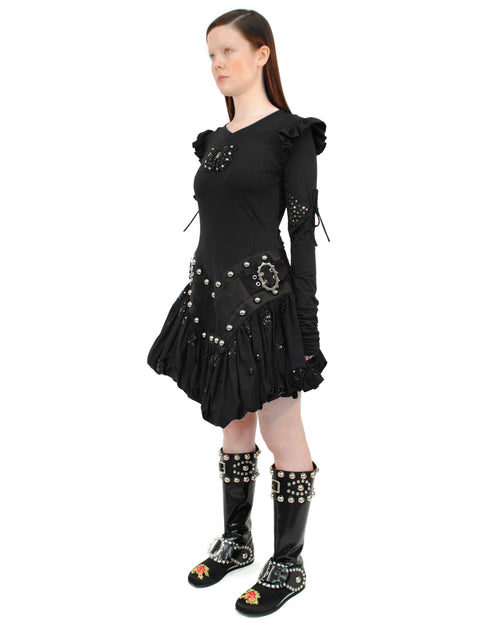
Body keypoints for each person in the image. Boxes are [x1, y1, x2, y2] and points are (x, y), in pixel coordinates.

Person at [147, 8, 330, 618]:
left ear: (262, 54)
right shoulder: (214, 140)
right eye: (210, 54)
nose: (217, 64)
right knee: (233, 423)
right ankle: (236, 541)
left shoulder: (291, 136)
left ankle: (288, 563)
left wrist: (307, 330)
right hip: (211, 300)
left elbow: (301, 239)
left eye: (228, 51)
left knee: (282, 428)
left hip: (265, 308)